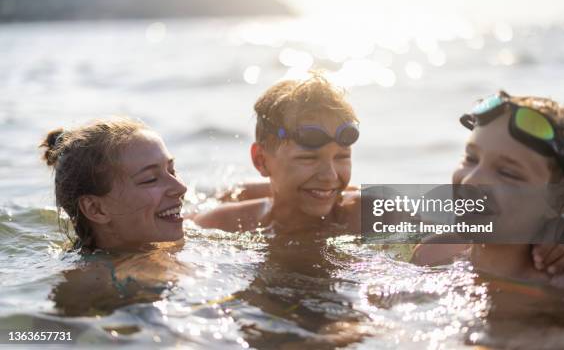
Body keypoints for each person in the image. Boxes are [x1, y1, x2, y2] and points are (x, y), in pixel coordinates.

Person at [412, 91, 564, 297]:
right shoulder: (434, 253)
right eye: (471, 159)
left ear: (560, 199)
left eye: (507, 172)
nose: (471, 180)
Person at [189, 74, 361, 234]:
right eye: (308, 158)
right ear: (261, 161)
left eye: (342, 157)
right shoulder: (224, 223)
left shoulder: (367, 213)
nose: (329, 176)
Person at [40, 117, 188, 251]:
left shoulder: (161, 241)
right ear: (96, 209)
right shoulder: (103, 279)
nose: (181, 188)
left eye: (172, 171)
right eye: (150, 179)